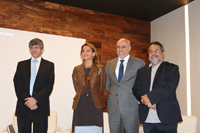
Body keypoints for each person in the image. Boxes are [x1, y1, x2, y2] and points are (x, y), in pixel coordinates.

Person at [132, 41, 182, 133]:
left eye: (156, 51)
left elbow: (169, 86)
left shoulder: (172, 68)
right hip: (147, 119)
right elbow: (136, 89)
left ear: (163, 54)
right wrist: (146, 100)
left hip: (167, 118)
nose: (153, 53)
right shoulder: (141, 71)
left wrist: (151, 98)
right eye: (150, 51)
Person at [13, 38, 55, 133]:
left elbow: (49, 85)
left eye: (36, 47)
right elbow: (17, 83)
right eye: (31, 47)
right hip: (23, 107)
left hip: (40, 107)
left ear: (42, 49)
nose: (34, 50)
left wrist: (35, 99)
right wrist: (27, 100)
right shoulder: (21, 65)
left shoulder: (49, 65)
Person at [106, 38, 145, 133]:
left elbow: (142, 85)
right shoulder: (109, 64)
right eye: (118, 47)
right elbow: (108, 84)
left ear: (129, 48)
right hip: (113, 108)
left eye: (123, 46)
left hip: (131, 107)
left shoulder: (139, 63)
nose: (120, 49)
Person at [71, 42, 106, 133]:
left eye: (88, 50)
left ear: (93, 54)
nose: (85, 53)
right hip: (80, 103)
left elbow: (101, 88)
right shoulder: (76, 69)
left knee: (95, 129)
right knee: (79, 129)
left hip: (94, 104)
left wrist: (93, 94)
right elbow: (76, 87)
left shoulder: (100, 69)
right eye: (83, 51)